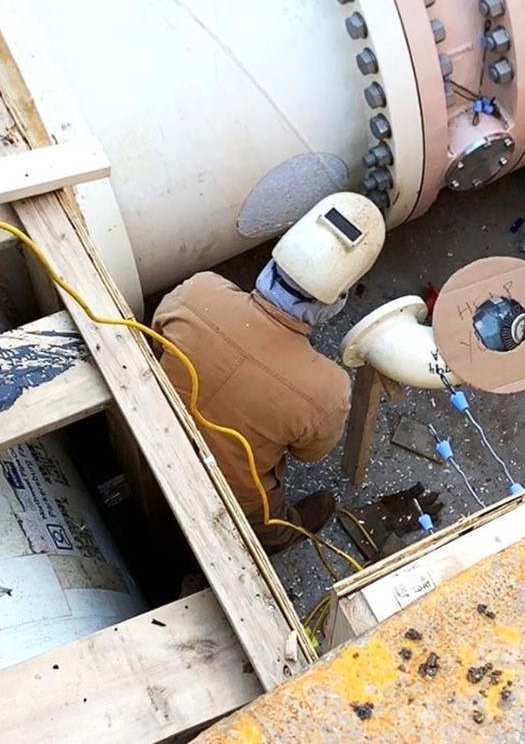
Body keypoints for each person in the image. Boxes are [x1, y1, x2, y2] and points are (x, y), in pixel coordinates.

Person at [152, 192, 386, 552]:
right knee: (267, 526)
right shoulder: (327, 389)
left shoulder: (198, 290)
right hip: (230, 498)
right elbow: (308, 454)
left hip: (149, 436)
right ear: (337, 299)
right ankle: (277, 538)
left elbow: (155, 341)